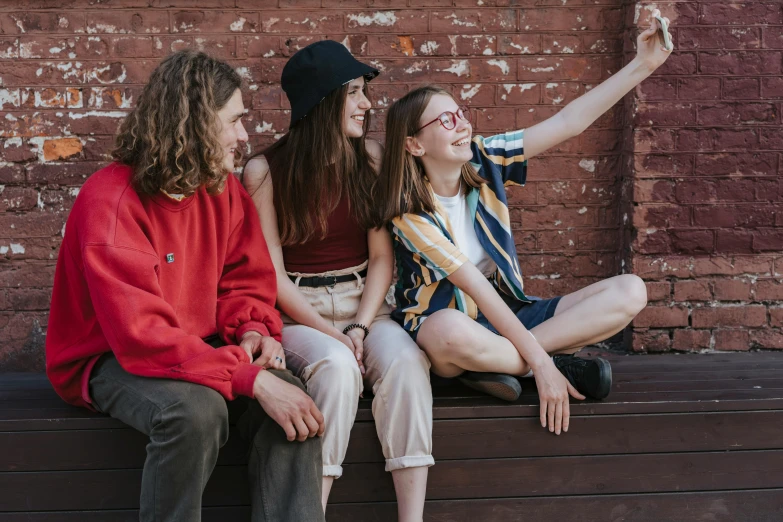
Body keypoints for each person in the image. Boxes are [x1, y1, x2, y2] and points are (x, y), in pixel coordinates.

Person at [45, 50, 325, 522]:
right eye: (233, 121)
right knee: (194, 413)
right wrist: (246, 378)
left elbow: (245, 279)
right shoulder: (110, 200)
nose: (243, 135)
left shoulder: (221, 189)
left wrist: (254, 330)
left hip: (194, 346)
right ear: (193, 122)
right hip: (108, 355)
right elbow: (140, 333)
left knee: (291, 402)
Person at [376, 14, 673, 435]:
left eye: (460, 113)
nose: (462, 124)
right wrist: (540, 362)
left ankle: (498, 368)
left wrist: (644, 64)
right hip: (449, 328)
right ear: (414, 144)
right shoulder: (410, 213)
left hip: (503, 318)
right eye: (445, 121)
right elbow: (474, 287)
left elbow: (568, 123)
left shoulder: (485, 159)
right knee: (445, 332)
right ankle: (540, 362)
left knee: (630, 291)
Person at [242, 40, 433, 521]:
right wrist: (335, 337)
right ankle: (311, 512)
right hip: (298, 308)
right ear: (323, 100)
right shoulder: (265, 171)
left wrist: (360, 328)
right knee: (337, 368)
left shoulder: (368, 158)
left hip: (365, 302)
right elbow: (273, 275)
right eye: (354, 92)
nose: (367, 104)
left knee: (408, 363)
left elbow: (381, 258)